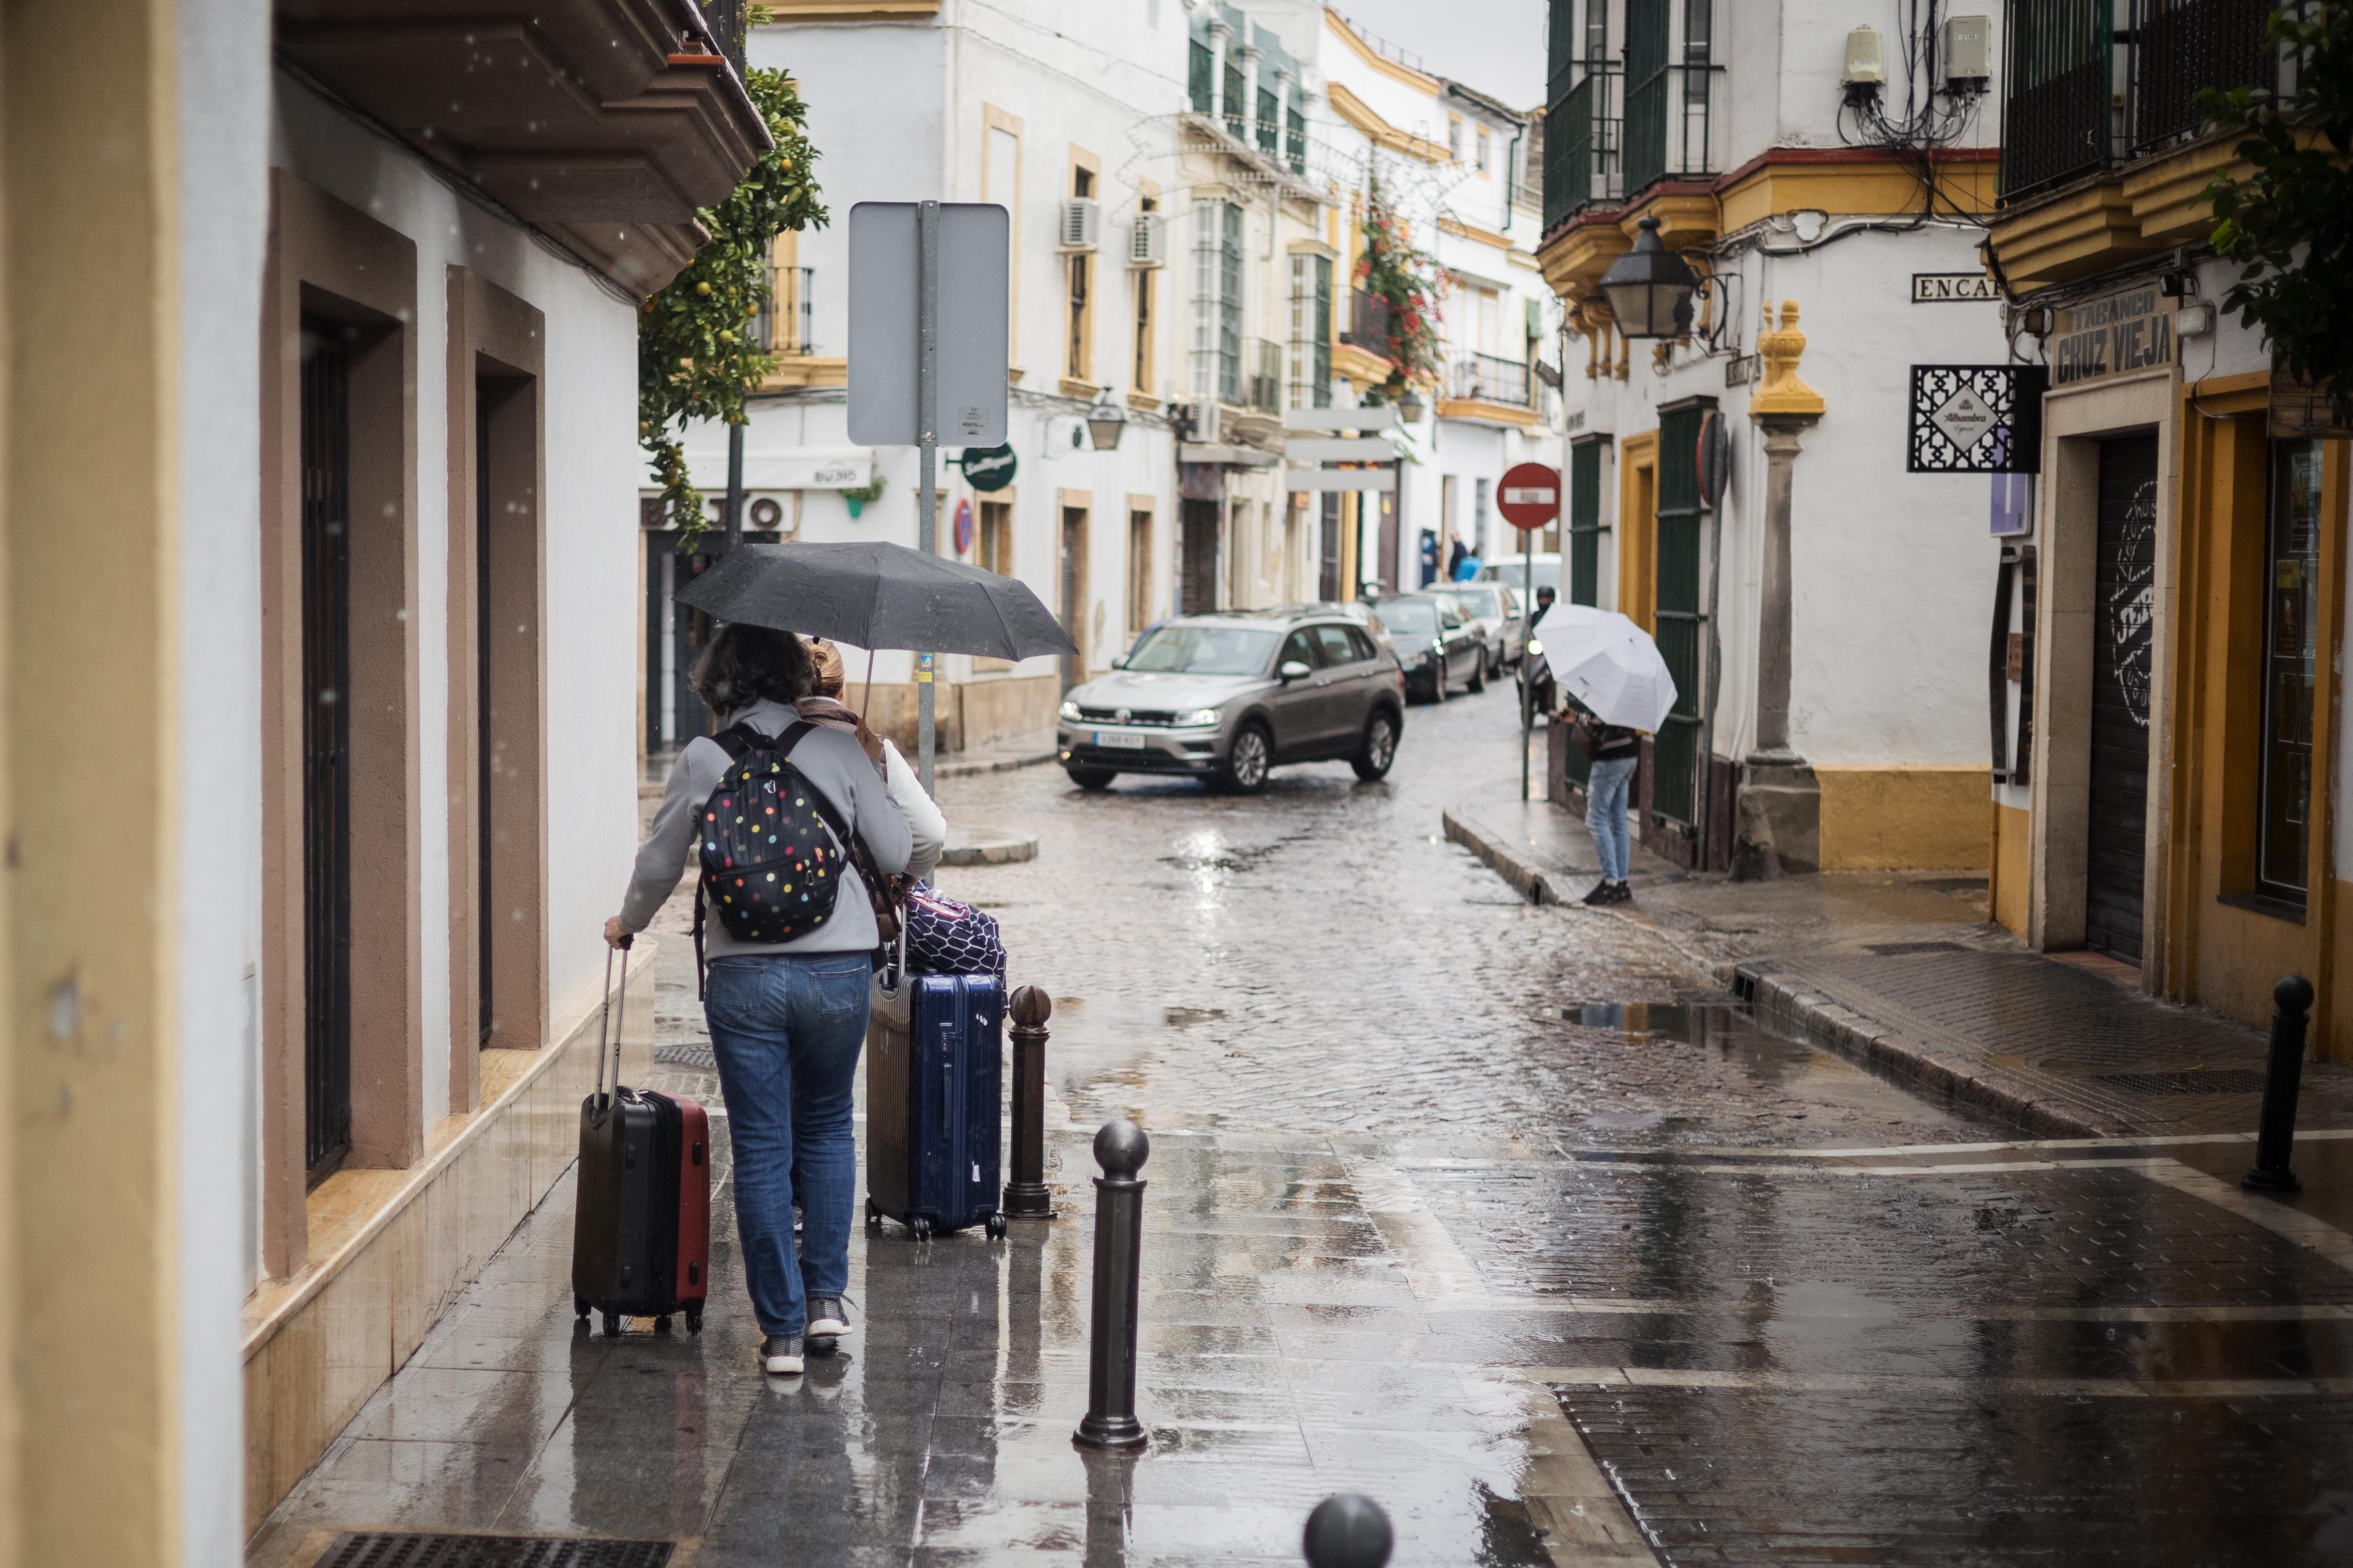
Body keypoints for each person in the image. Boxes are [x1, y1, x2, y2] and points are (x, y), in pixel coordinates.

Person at [606, 624, 913, 1378]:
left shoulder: (704, 759)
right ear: (792, 675)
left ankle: (778, 1333)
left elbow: (657, 865)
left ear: (719, 683)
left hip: (744, 973)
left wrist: (628, 924)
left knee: (763, 1147)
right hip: (839, 969)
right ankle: (825, 1305)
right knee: (828, 1130)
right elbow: (901, 851)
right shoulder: (838, 747)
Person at [800, 637, 946, 884]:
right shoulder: (876, 751)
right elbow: (930, 837)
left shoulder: (764, 742)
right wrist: (910, 874)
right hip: (858, 909)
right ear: (843, 688)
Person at [1571, 707, 1639, 904]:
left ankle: (1610, 882)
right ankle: (1622, 883)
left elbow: (1598, 721)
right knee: (1619, 820)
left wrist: (1578, 719)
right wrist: (1577, 717)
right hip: (1629, 755)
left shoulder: (1608, 692)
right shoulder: (1626, 694)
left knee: (1596, 819)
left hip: (1610, 759)